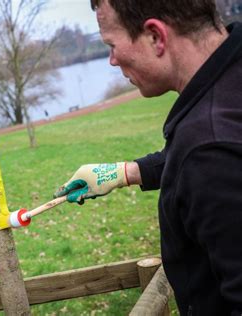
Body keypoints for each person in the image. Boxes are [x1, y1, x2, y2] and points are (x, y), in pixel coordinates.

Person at [54, 0, 242, 314]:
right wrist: (126, 172)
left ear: (155, 36)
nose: (112, 60)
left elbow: (212, 157)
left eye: (112, 45)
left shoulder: (209, 152)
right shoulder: (230, 83)